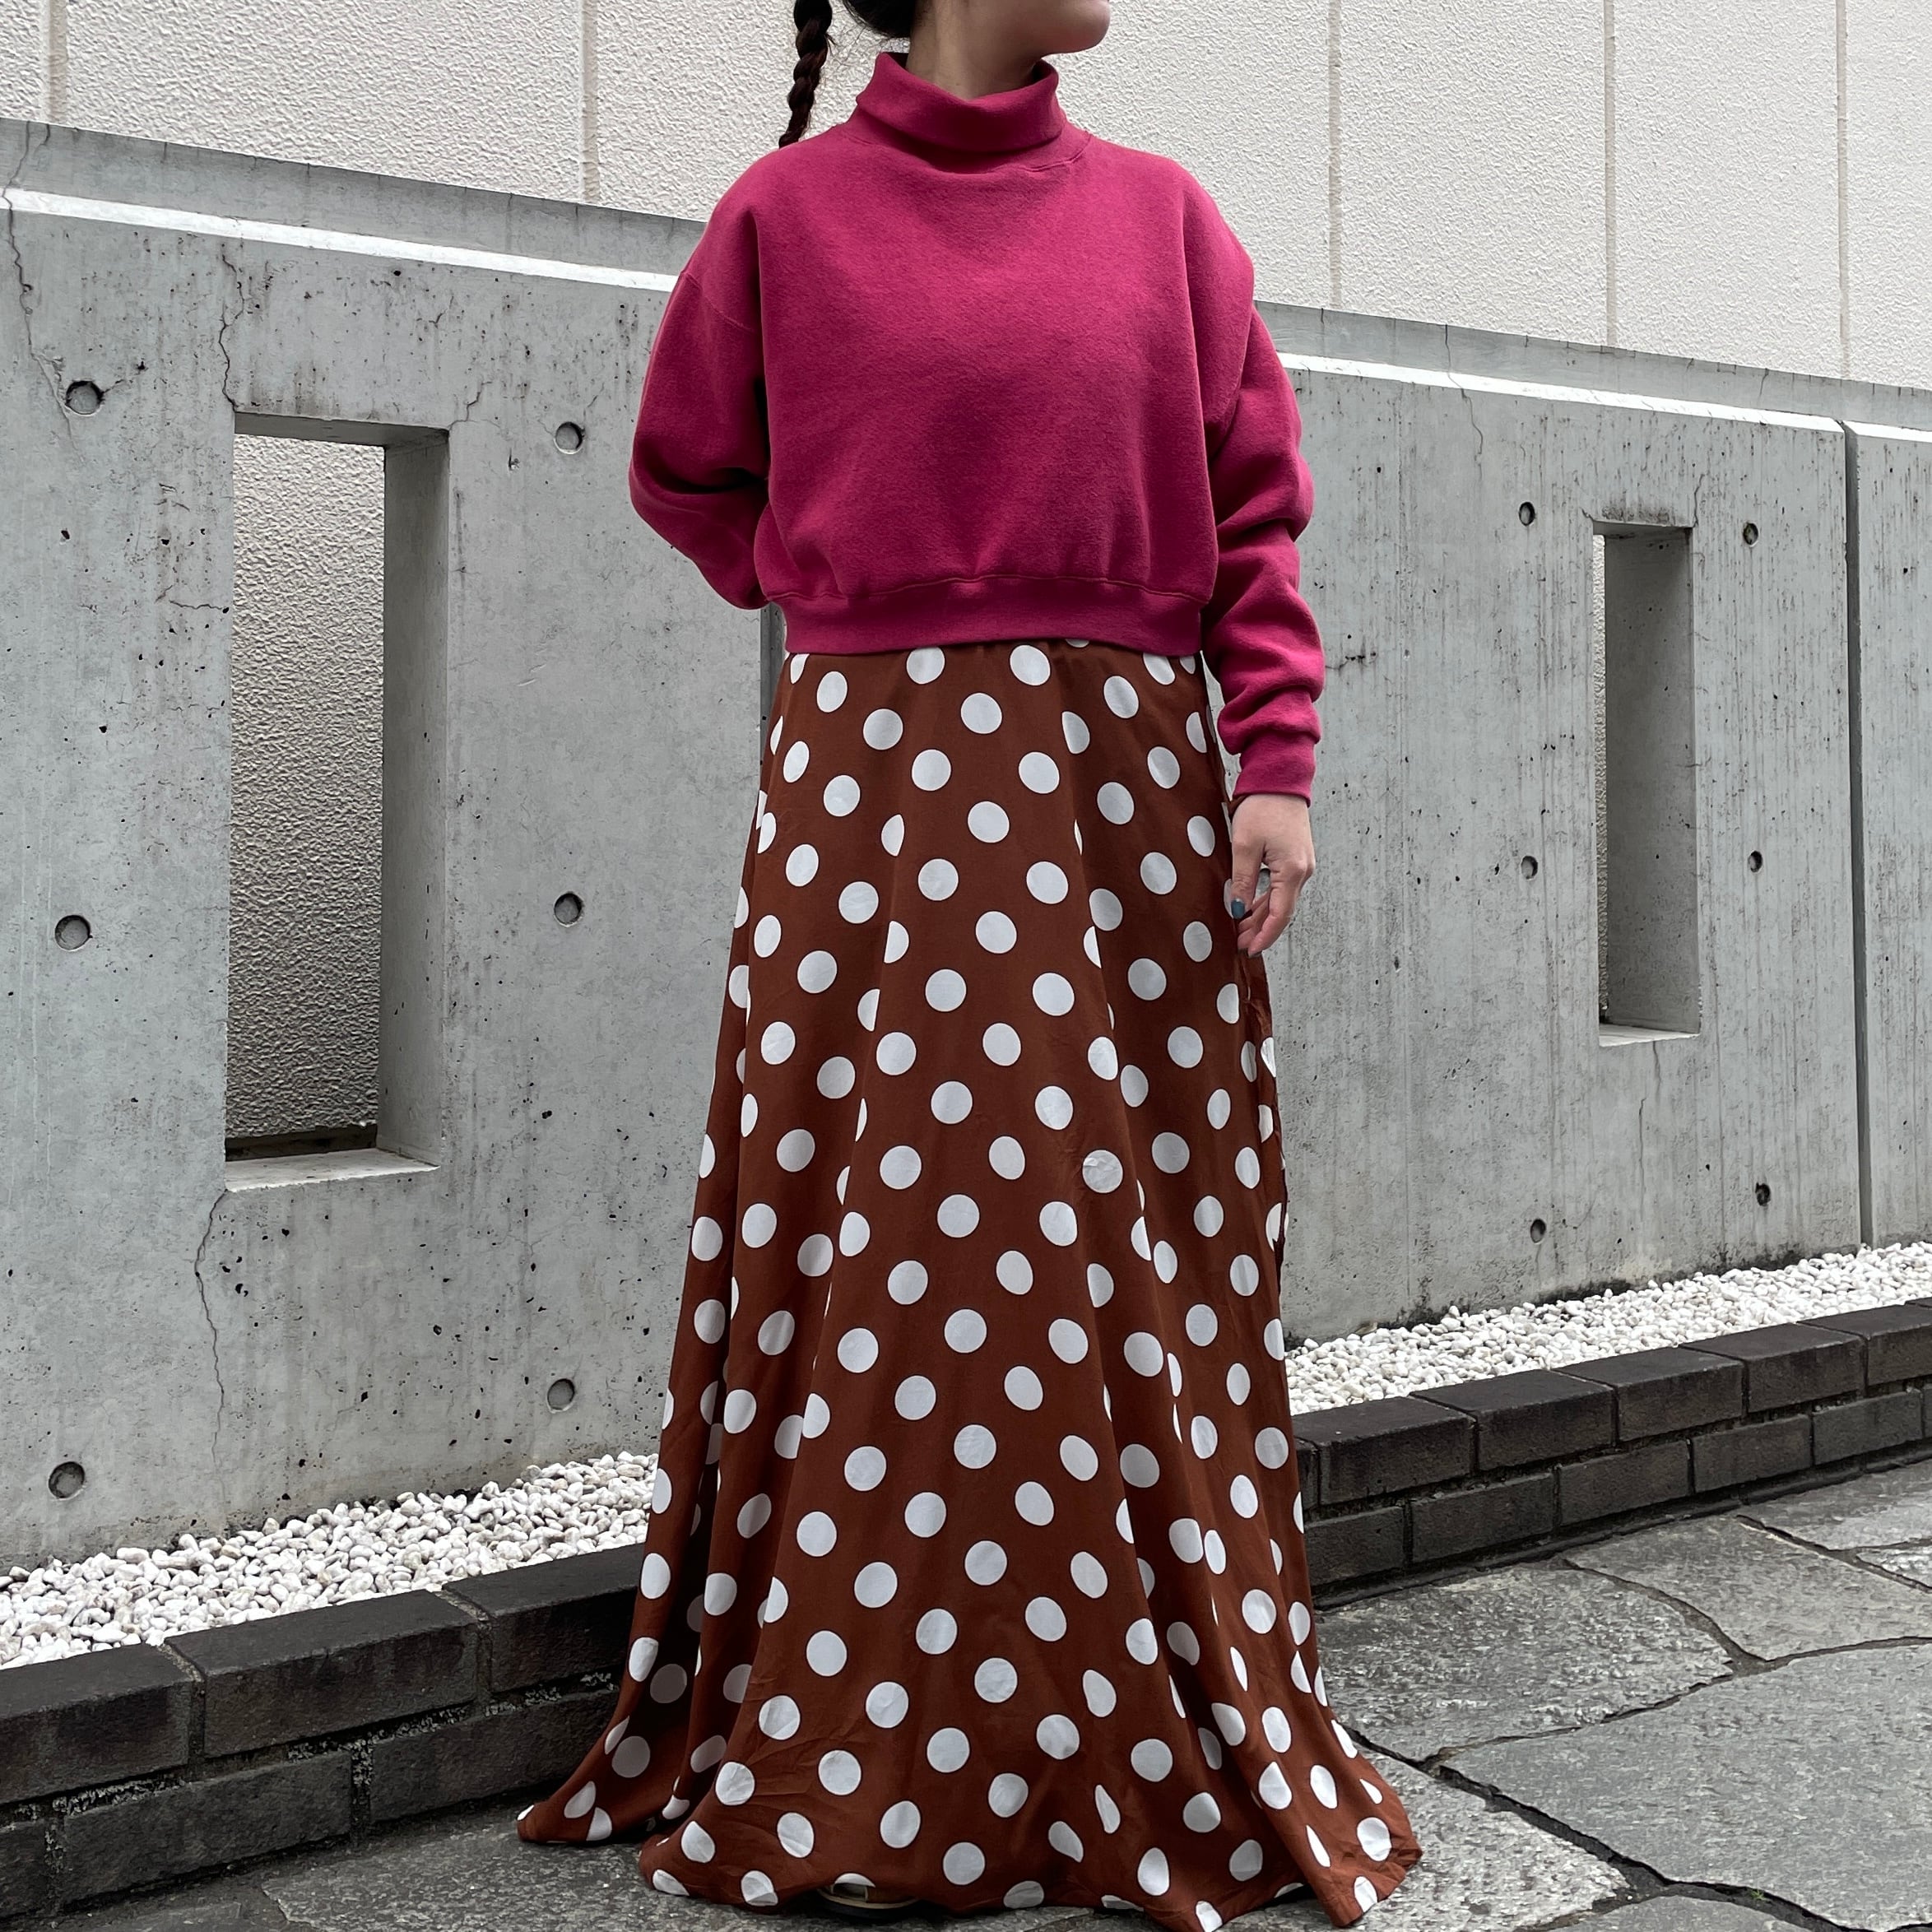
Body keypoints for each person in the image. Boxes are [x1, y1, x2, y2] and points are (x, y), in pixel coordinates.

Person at [515, 2, 1424, 1925]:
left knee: (1137, 1235)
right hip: (870, 794)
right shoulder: (783, 221)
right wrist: (857, 588)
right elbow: (686, 473)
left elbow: (1254, 513)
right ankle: (870, 1726)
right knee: (891, 1234)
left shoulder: (1168, 221)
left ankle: (1128, 1695)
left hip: (1121, 798)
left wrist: (1273, 761)